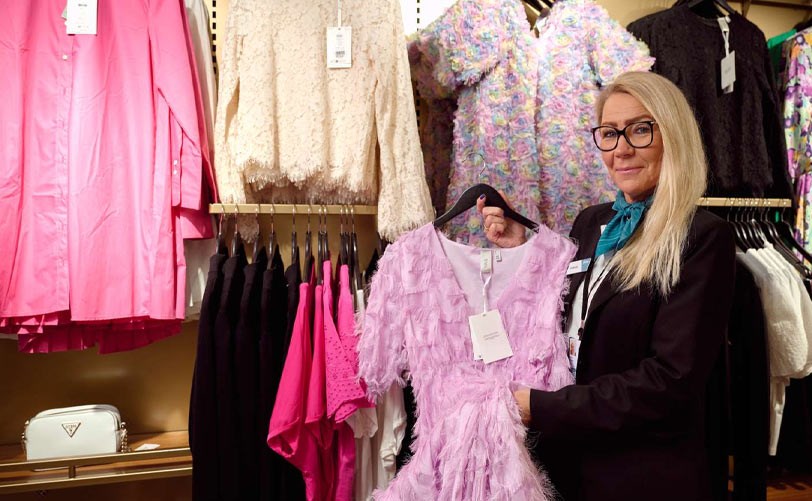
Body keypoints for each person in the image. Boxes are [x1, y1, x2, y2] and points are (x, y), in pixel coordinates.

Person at [476, 71, 736, 501]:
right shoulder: (591, 221)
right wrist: (522, 246)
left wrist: (540, 407)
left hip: (642, 475)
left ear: (672, 134)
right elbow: (565, 316)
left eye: (640, 130)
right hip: (569, 465)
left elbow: (669, 380)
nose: (622, 149)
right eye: (610, 133)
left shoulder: (702, 237)